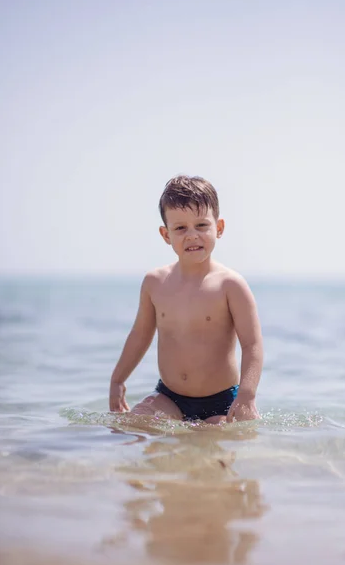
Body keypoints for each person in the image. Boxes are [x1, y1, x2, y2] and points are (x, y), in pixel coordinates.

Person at [109, 175, 263, 424]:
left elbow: (252, 345)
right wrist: (117, 380)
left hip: (222, 401)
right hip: (169, 397)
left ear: (219, 228)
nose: (191, 235)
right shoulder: (155, 283)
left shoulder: (230, 285)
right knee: (132, 428)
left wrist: (247, 395)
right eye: (180, 228)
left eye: (201, 225)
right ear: (166, 234)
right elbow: (140, 336)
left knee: (212, 453)